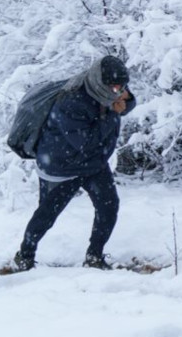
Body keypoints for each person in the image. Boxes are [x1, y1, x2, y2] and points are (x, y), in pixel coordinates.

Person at [12, 56, 136, 270]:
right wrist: (114, 114)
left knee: (108, 207)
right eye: (115, 86)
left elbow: (125, 104)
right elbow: (87, 141)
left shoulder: (107, 90)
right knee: (47, 214)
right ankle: (24, 255)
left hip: (94, 163)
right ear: (100, 82)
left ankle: (94, 256)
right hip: (62, 166)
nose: (119, 90)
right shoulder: (71, 101)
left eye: (122, 86)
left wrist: (126, 99)